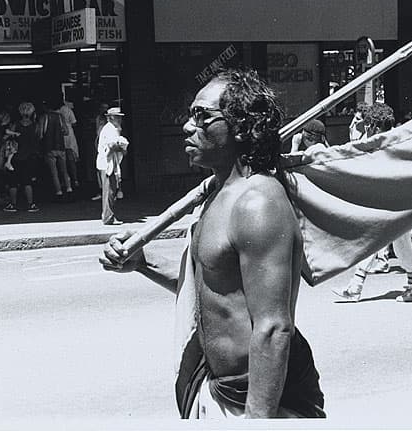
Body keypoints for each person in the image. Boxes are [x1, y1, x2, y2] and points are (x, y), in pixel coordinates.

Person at [101, 69, 325, 418]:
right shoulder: (216, 195)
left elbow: (272, 326)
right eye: (190, 115)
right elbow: (210, 286)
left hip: (258, 402)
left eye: (202, 116)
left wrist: (258, 420)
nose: (188, 127)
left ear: (240, 126)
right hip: (216, 389)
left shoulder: (257, 202)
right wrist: (143, 263)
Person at [333, 102, 412, 302]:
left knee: (374, 239)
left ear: (374, 126)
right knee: (401, 245)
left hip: (392, 202)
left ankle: (356, 286)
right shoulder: (395, 138)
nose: (365, 128)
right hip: (396, 201)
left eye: (367, 125)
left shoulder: (385, 143)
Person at [3, 102, 40, 212]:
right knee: (27, 181)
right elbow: (39, 138)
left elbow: (6, 137)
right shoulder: (35, 125)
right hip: (30, 156)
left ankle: (13, 204)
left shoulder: (15, 125)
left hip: (15, 156)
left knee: (13, 181)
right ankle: (31, 204)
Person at [96, 107, 128, 225]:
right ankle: (108, 217)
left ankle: (107, 215)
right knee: (109, 190)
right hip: (107, 163)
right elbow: (112, 145)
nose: (119, 119)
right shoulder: (109, 129)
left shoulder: (113, 128)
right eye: (117, 117)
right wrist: (123, 147)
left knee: (111, 190)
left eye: (120, 117)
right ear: (110, 117)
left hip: (109, 162)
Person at [38, 96, 73, 200]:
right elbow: (66, 132)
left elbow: (40, 134)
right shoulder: (60, 117)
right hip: (60, 146)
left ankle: (59, 192)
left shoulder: (44, 117)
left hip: (49, 147)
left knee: (54, 172)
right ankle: (69, 188)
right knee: (64, 170)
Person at [58, 100, 80, 189]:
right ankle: (75, 179)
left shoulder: (56, 112)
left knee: (61, 159)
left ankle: (65, 180)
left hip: (59, 134)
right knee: (71, 158)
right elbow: (74, 122)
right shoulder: (68, 109)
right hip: (69, 135)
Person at [91, 102, 109, 201]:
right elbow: (97, 131)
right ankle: (101, 189)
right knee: (99, 167)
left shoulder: (110, 121)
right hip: (100, 143)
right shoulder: (99, 118)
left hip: (108, 144)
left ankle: (116, 190)